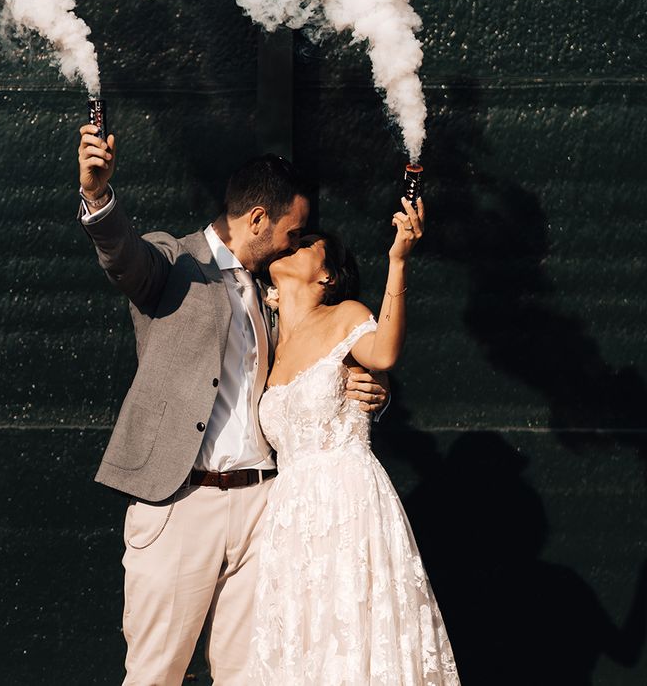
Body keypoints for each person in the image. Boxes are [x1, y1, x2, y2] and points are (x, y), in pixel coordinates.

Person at [76, 125, 390, 685]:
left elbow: (314, 364)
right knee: (155, 674)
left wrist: (361, 387)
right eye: (293, 233)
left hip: (266, 508)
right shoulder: (173, 263)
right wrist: (99, 198)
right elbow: (122, 256)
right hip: (181, 502)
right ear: (257, 221)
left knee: (253, 674)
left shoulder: (277, 295)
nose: (298, 244)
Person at [248, 204, 461, 684]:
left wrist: (399, 259)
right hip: (289, 516)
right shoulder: (266, 335)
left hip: (346, 500)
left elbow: (383, 350)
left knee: (355, 640)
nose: (293, 245)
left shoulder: (346, 315)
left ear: (326, 275)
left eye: (307, 244)